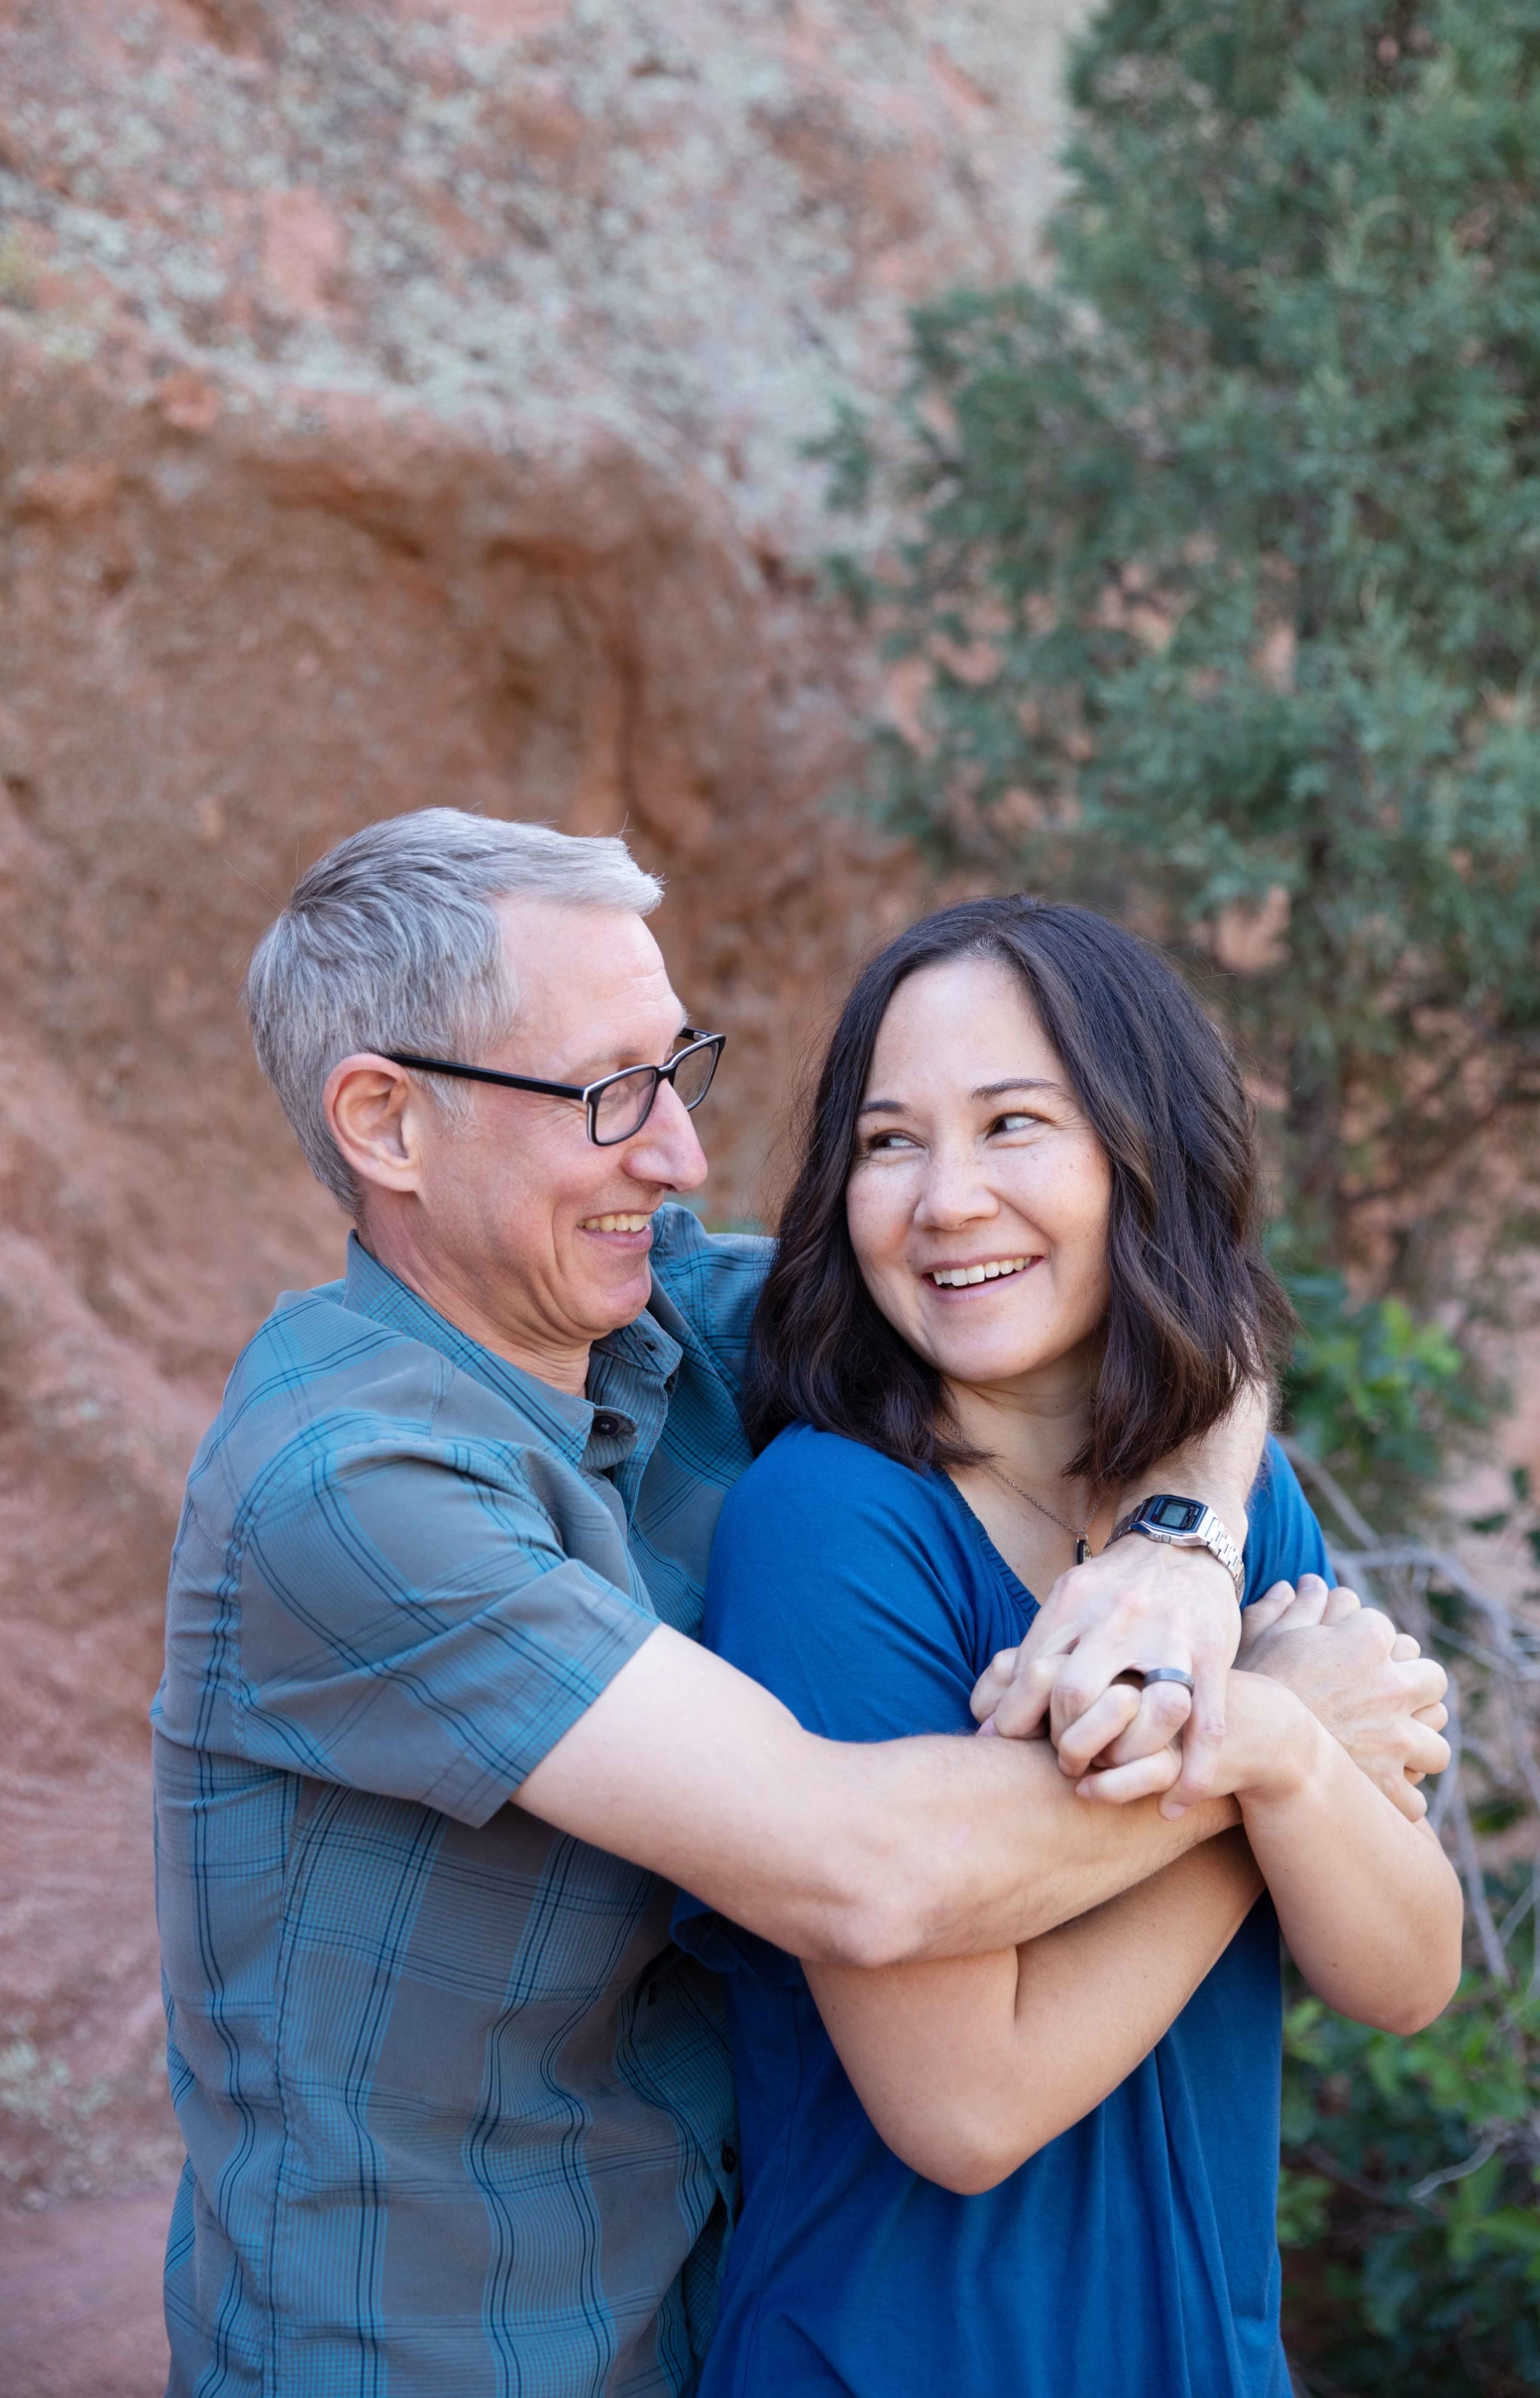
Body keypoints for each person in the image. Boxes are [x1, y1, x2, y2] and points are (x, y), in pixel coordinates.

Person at [151, 811, 1411, 2398]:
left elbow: (1120, 1295)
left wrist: (1179, 1540)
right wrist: (1276, 1741)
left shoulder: (652, 1304)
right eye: (608, 1092)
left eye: (680, 1072)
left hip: (696, 2307)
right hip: (428, 2356)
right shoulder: (349, 1487)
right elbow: (862, 1871)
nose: (675, 1154)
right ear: (387, 1125)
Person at [678, 897, 1464, 2398]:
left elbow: (1407, 1970)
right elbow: (965, 2107)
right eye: (889, 1141)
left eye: (1013, 1124)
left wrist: (1281, 1746)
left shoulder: (1226, 1513)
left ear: (1139, 1152)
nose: (946, 1199)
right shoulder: (831, 1521)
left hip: (1204, 2353)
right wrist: (1267, 1762)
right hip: (905, 2359)